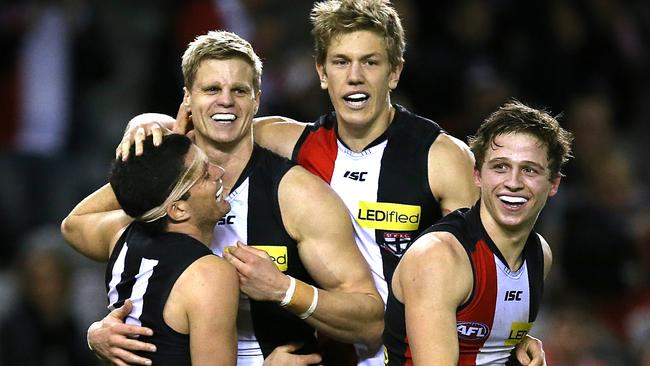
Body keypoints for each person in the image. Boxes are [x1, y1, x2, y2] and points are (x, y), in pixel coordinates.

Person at [92, 30, 384, 366]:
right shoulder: (163, 185)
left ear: (257, 99)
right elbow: (75, 227)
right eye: (212, 89)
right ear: (187, 97)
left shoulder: (296, 194)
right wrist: (95, 334)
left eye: (240, 90)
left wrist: (284, 289)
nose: (226, 101)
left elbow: (371, 321)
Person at [383, 100, 574, 365]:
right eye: (500, 167)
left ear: (553, 184)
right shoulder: (439, 257)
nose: (513, 183)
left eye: (529, 170)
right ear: (477, 175)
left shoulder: (540, 255)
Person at [60, 133, 239, 365]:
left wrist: (140, 170)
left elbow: (72, 223)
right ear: (178, 210)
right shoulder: (209, 274)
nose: (219, 172)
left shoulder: (120, 233)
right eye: (205, 174)